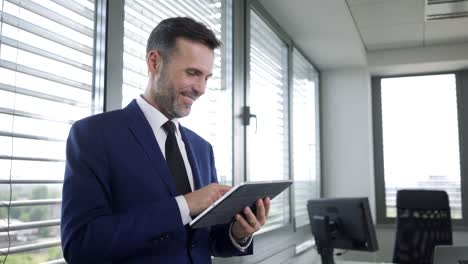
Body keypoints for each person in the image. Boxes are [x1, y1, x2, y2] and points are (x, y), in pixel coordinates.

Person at [60, 17, 270, 263]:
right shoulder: (94, 134)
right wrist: (184, 205)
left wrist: (239, 233)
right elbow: (81, 244)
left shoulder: (203, 149)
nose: (201, 88)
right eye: (192, 73)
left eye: (207, 77)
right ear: (154, 62)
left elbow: (205, 242)